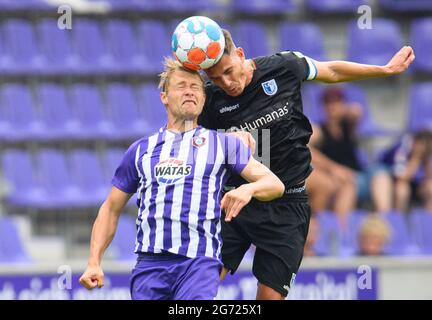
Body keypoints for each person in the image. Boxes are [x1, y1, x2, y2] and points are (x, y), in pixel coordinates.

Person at [198, 27, 414, 300]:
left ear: (240, 55)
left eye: (229, 71)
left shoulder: (283, 67)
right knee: (198, 292)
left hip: (288, 206)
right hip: (236, 202)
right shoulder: (210, 99)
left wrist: (383, 70)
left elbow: (331, 71)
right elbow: (188, 138)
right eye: (216, 79)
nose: (226, 83)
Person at [79, 58, 285, 300]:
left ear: (204, 98)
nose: (189, 91)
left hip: (199, 264)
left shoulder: (223, 144)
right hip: (150, 266)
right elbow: (111, 208)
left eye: (195, 87)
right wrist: (94, 261)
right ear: (164, 97)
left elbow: (275, 184)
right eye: (181, 86)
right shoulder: (141, 150)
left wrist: (248, 190)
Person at [309, 87, 392, 223]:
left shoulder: (348, 125)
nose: (332, 107)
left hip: (359, 174)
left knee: (380, 172)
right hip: (338, 178)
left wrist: (341, 111)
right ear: (322, 107)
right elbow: (306, 149)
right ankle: (342, 231)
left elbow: (357, 110)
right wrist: (334, 169)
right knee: (349, 185)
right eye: (328, 103)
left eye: (336, 102)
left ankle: (384, 220)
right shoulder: (319, 129)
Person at [381, 129, 432, 212]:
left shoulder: (426, 155)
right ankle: (398, 221)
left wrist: (426, 161)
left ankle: (429, 221)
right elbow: (401, 178)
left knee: (430, 187)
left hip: (413, 184)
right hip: (391, 183)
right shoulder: (401, 149)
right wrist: (417, 157)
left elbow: (429, 177)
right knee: (402, 189)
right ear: (415, 141)